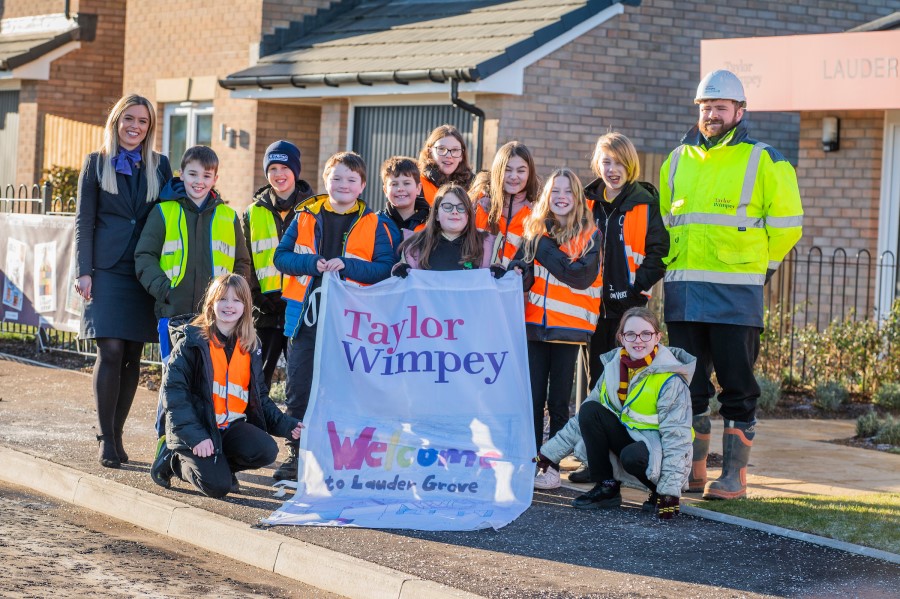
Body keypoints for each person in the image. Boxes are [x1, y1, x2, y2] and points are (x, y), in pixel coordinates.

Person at [659, 70, 803, 499]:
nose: (712, 115)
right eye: (706, 108)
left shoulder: (765, 159)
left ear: (740, 111)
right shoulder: (676, 160)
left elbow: (787, 226)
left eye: (720, 108)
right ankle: (693, 471)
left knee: (737, 388)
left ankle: (733, 479)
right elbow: (667, 226)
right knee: (688, 386)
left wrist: (760, 268)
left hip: (736, 295)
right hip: (684, 294)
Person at [271, 151, 399, 481]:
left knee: (344, 389)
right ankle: (296, 456)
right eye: (336, 178)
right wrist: (310, 263)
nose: (343, 184)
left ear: (363, 186)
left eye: (351, 179)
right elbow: (281, 258)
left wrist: (350, 266)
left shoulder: (376, 223)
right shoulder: (304, 216)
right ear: (325, 179)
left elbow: (386, 269)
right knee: (299, 389)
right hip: (305, 320)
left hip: (351, 323)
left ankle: (340, 456)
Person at [74, 94, 172, 468]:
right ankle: (106, 438)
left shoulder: (160, 165)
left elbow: (170, 209)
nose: (135, 126)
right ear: (116, 121)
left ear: (149, 127)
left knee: (132, 355)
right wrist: (83, 270)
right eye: (129, 118)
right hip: (106, 270)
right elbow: (83, 220)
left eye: (143, 121)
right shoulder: (95, 163)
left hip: (144, 270)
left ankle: (118, 431)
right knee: (110, 350)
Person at [150, 273, 303, 498]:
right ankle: (173, 460)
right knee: (218, 487)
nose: (229, 306)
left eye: (237, 300)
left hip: (227, 429)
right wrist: (196, 437)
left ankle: (220, 466)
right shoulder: (192, 342)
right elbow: (174, 396)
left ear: (245, 306)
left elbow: (260, 397)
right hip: (198, 429)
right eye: (223, 299)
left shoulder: (249, 346)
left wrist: (288, 425)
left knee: (266, 450)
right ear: (212, 303)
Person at [571, 307, 694, 520]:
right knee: (591, 411)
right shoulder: (615, 366)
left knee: (633, 456)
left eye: (646, 334)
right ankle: (607, 486)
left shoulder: (670, 379)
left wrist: (669, 492)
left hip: (661, 456)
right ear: (621, 338)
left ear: (658, 337)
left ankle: (658, 492)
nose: (639, 340)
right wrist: (549, 455)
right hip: (634, 438)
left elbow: (677, 439)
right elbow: (580, 422)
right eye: (631, 334)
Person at [135, 145, 252, 360]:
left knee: (210, 383)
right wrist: (166, 291)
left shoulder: (228, 217)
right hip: (173, 313)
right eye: (193, 174)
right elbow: (144, 256)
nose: (199, 181)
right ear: (181, 174)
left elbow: (242, 263)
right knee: (174, 380)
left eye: (206, 175)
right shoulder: (163, 211)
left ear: (215, 178)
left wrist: (233, 299)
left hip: (218, 319)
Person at [518, 168, 602, 454]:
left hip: (569, 329)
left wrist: (541, 248)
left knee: (558, 403)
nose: (561, 197)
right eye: (555, 191)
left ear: (578, 197)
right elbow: (523, 276)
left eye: (568, 191)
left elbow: (578, 276)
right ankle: (529, 459)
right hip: (534, 328)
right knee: (532, 399)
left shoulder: (589, 235)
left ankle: (551, 462)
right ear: (547, 196)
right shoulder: (533, 231)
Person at [242, 140, 314, 388]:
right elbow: (246, 259)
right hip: (265, 309)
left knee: (301, 376)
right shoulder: (252, 212)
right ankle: (255, 425)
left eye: (284, 167)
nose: (278, 174)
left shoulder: (314, 210)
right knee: (257, 378)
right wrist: (257, 298)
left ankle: (295, 425)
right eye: (272, 168)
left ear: (295, 170)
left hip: (301, 307)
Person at [392, 184, 493, 274]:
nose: (454, 211)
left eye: (461, 207)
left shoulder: (486, 243)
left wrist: (497, 270)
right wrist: (400, 269)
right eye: (447, 207)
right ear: (436, 215)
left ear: (468, 215)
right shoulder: (415, 245)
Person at [476, 141, 539, 266]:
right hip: (478, 282)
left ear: (529, 174)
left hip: (516, 284)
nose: (513, 176)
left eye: (521, 171)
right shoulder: (477, 204)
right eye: (507, 170)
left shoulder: (537, 214)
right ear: (497, 171)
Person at [417, 125, 475, 205]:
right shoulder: (417, 183)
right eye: (441, 149)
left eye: (455, 150)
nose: (448, 155)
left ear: (462, 155)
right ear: (429, 152)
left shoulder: (474, 187)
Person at [378, 156, 429, 238]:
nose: (400, 189)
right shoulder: (376, 223)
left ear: (418, 188)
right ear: (385, 190)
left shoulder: (430, 225)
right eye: (394, 184)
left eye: (406, 183)